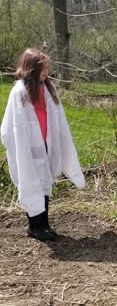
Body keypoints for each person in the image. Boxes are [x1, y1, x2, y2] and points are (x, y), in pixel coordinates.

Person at [0, 48, 85, 242]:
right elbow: (10, 127)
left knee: (45, 184)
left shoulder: (47, 88)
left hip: (47, 144)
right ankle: (34, 226)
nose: (46, 71)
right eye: (42, 68)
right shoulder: (19, 92)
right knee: (31, 184)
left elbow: (57, 117)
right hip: (28, 149)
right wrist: (20, 147)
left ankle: (44, 223)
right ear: (31, 68)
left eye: (47, 67)